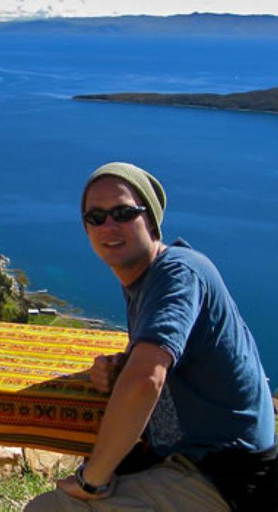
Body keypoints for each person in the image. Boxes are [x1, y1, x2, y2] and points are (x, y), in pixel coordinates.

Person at [26, 162, 278, 511]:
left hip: (226, 477)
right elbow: (163, 363)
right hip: (190, 460)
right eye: (95, 217)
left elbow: (147, 380)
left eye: (124, 212)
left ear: (151, 220)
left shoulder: (177, 273)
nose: (109, 225)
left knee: (47, 509)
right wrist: (122, 366)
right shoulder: (146, 281)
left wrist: (90, 481)